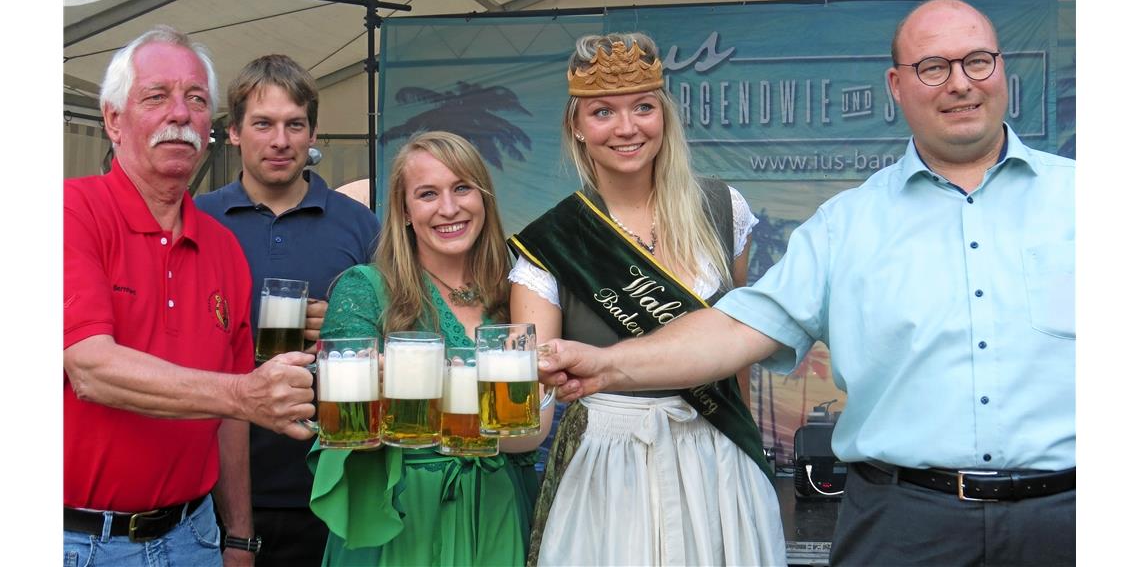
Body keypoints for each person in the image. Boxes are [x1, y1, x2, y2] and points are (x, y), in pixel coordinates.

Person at [538, 0, 1076, 566]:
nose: (960, 84)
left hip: (1072, 518)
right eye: (934, 67)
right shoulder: (845, 225)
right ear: (896, 85)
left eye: (978, 62)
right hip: (903, 527)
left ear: (1002, 69)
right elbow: (736, 330)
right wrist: (608, 365)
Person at [508, 32, 786, 566]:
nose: (627, 127)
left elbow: (739, 347)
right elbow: (532, 400)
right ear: (577, 128)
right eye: (602, 112)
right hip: (609, 467)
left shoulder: (723, 208)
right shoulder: (551, 243)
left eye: (642, 106)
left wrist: (745, 442)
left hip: (719, 453)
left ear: (665, 115)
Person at [64, 26, 317, 567]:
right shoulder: (69, 212)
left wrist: (240, 537)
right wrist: (244, 394)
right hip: (77, 539)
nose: (180, 113)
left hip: (195, 535)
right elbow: (90, 369)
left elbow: (229, 418)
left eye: (196, 100)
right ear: (113, 119)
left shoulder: (223, 247)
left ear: (209, 125)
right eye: (157, 97)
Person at [308, 130, 540, 566]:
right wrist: (375, 391)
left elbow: (531, 430)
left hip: (498, 508)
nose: (448, 208)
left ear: (484, 199)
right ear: (405, 211)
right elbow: (341, 434)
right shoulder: (365, 288)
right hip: (402, 521)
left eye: (462, 188)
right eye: (428, 194)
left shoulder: (516, 292)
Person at [197, 54, 381, 566]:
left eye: (294, 124)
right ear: (233, 132)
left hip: (330, 484)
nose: (280, 140)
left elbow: (401, 334)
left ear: (312, 132)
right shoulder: (200, 219)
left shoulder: (359, 225)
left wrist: (343, 327)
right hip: (212, 496)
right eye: (263, 124)